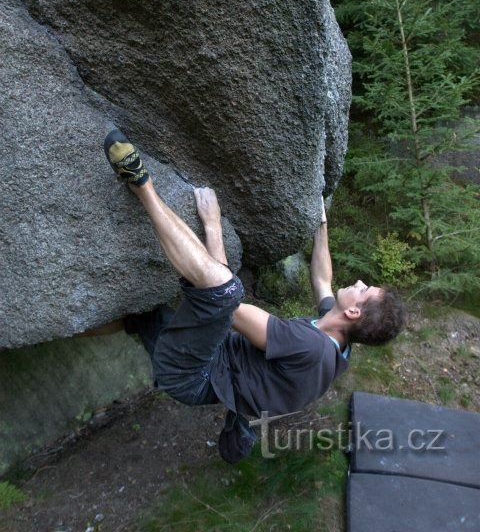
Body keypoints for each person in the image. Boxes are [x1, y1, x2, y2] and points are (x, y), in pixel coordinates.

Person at [99, 129, 405, 462]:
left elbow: (226, 303)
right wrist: (321, 224)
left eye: (363, 290)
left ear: (354, 313)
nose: (359, 282)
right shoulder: (339, 340)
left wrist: (213, 225)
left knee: (224, 289)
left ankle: (140, 184)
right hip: (215, 360)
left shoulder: (308, 345)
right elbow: (321, 279)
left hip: (192, 374)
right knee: (143, 317)